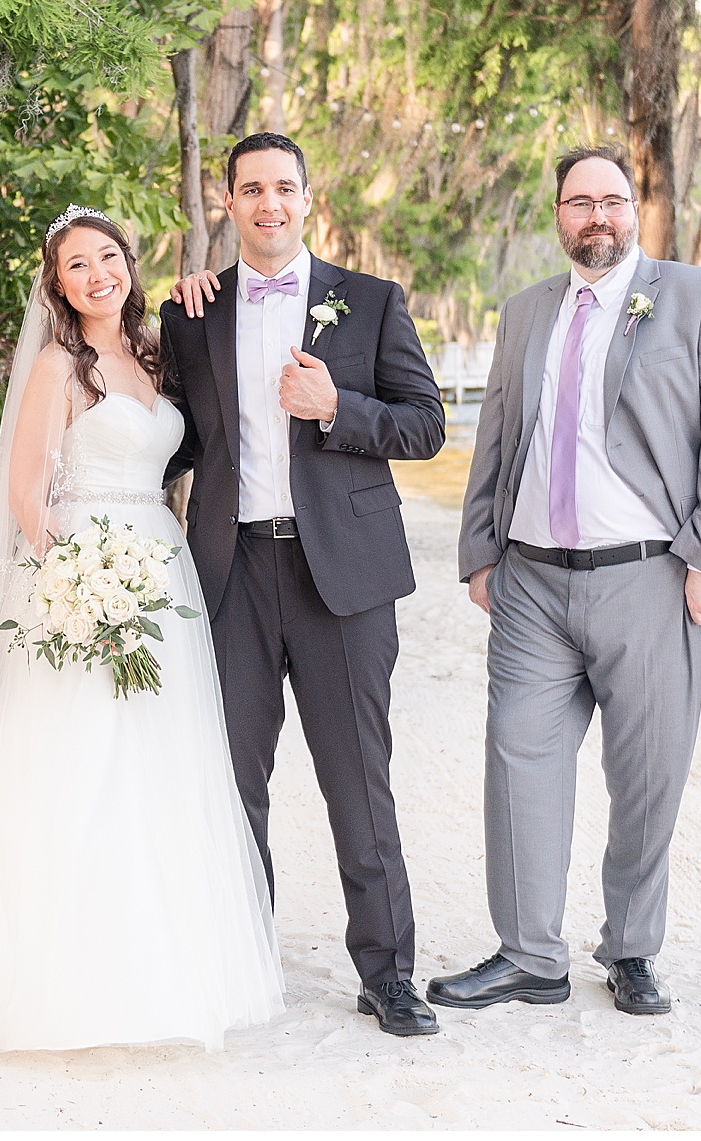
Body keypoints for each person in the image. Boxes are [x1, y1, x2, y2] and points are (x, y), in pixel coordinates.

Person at [0, 208, 281, 1098]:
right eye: (77, 264)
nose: (97, 273)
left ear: (128, 263)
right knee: (74, 769)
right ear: (59, 285)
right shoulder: (55, 365)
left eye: (107, 256)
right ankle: (54, 980)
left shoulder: (155, 354)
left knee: (156, 772)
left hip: (162, 574)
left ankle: (155, 970)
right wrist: (74, 588)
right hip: (84, 581)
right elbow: (26, 492)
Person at [431, 146, 701, 1018]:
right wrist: (480, 551)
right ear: (558, 216)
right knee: (518, 759)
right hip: (533, 581)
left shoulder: (697, 298)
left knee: (648, 774)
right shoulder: (527, 311)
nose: (597, 218)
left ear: (636, 209)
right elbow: (498, 432)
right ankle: (529, 954)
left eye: (612, 200)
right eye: (579, 203)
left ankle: (631, 947)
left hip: (652, 579)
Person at [164, 133, 448, 1037]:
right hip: (233, 570)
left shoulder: (368, 302)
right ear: (229, 201)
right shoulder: (192, 314)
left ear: (307, 197)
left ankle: (389, 972)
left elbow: (426, 425)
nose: (269, 204)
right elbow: (180, 438)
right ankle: (245, 957)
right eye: (252, 189)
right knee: (233, 779)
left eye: (283, 187)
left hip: (345, 577)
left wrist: (339, 409)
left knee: (357, 776)